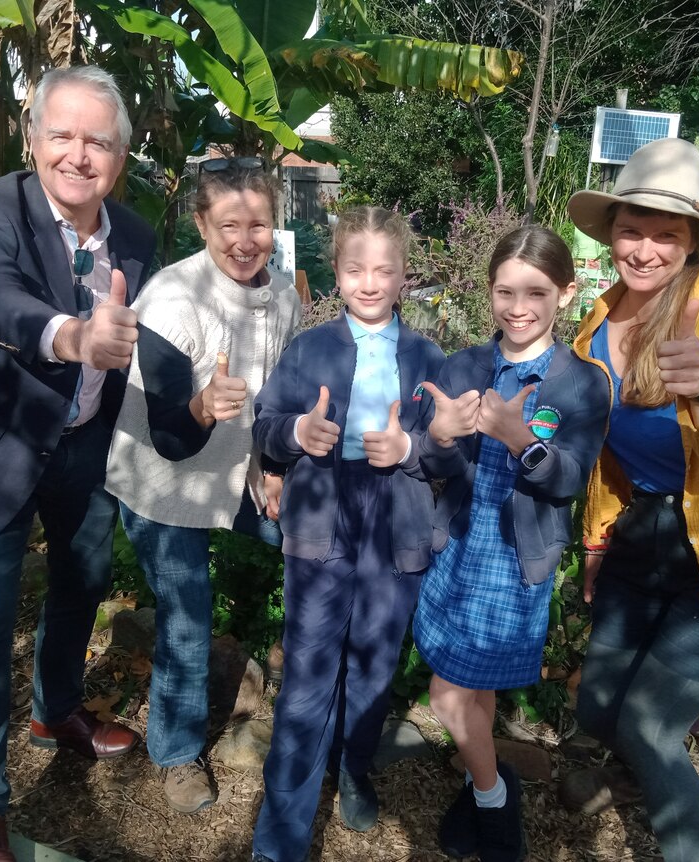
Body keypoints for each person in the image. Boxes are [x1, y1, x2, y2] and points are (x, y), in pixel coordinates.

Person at [0, 66, 156, 862]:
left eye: (98, 140)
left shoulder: (136, 235)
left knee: (82, 585)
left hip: (84, 449)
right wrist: (72, 336)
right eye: (62, 134)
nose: (78, 155)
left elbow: (138, 341)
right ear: (33, 140)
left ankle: (56, 709)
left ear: (120, 155)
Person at [561, 136, 699, 862]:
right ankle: (645, 780)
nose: (645, 248)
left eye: (667, 233)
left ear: (692, 244)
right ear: (610, 229)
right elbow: (602, 457)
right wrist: (597, 539)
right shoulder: (597, 322)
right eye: (632, 228)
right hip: (643, 533)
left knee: (648, 724)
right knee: (595, 705)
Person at [249, 206, 451, 862]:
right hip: (322, 515)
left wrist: (411, 448)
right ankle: (280, 834)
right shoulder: (309, 348)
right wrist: (296, 435)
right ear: (336, 271)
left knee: (373, 657)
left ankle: (354, 765)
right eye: (355, 268)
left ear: (402, 276)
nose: (369, 282)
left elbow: (452, 452)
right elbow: (266, 423)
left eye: (384, 269)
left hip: (395, 521)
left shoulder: (426, 355)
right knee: (309, 670)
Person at [104, 157, 301, 815]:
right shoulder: (171, 298)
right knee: (186, 614)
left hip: (233, 469)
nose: (245, 241)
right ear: (199, 223)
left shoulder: (284, 297)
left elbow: (275, 400)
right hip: (162, 480)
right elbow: (168, 437)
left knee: (311, 540)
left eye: (259, 224)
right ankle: (177, 753)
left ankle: (300, 680)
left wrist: (272, 470)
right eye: (228, 225)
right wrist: (201, 406)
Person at [412, 225, 610, 862]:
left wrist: (521, 439)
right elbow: (430, 470)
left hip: (514, 559)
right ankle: (490, 785)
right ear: (488, 291)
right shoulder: (465, 365)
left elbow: (571, 480)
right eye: (504, 291)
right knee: (462, 690)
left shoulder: (582, 382)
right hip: (458, 549)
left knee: (451, 696)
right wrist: (439, 438)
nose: (518, 306)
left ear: (567, 293)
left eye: (537, 291)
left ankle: (494, 800)